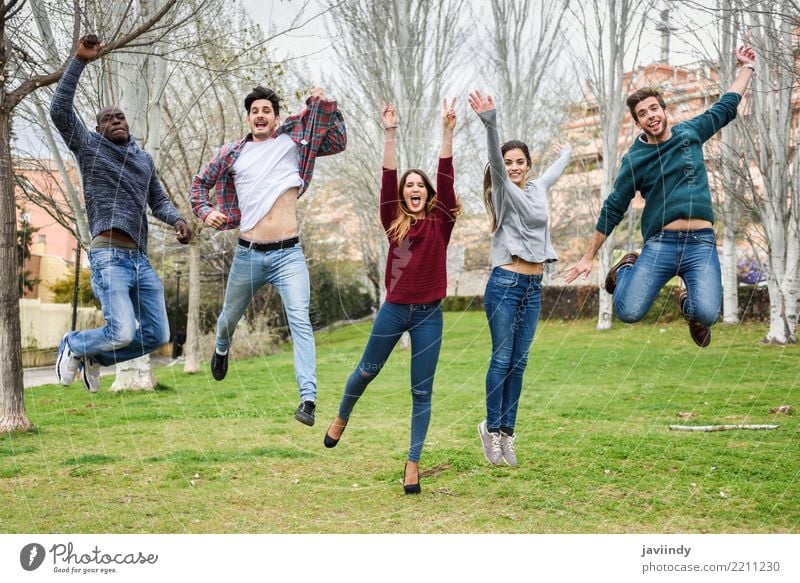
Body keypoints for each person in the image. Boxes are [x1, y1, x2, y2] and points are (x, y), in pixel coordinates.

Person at [564, 46, 757, 348]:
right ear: (637, 123)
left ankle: (686, 303)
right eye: (642, 114)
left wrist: (747, 68)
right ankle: (626, 267)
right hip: (661, 245)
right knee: (628, 311)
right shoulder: (634, 160)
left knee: (706, 312)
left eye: (654, 108)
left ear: (665, 111)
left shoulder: (690, 132)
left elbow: (726, 107)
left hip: (701, 243)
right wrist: (589, 256)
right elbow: (613, 208)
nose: (650, 116)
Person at [323, 99, 461, 494]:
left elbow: (447, 177)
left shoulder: (441, 222)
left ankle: (413, 463)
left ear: (429, 193)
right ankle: (342, 416)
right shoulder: (393, 221)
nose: (414, 189)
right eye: (409, 186)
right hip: (395, 311)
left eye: (420, 185)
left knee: (422, 390)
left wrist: (447, 133)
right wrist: (389, 132)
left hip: (429, 315)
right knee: (366, 371)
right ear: (402, 196)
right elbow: (388, 176)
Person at [190, 84, 346, 427]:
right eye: (254, 111)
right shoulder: (232, 153)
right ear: (248, 117)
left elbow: (336, 141)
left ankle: (308, 399)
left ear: (276, 118)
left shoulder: (294, 144)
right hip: (248, 254)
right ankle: (221, 348)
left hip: (289, 254)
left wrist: (322, 104)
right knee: (228, 318)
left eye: (266, 111)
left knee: (300, 320)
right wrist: (206, 213)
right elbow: (200, 184)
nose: (260, 116)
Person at [50, 35, 191, 393]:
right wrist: (79, 61)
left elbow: (158, 201)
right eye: (107, 119)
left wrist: (177, 220)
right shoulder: (90, 147)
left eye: (120, 116)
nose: (115, 120)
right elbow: (60, 112)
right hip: (108, 256)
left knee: (157, 333)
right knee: (123, 330)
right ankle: (74, 344)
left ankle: (95, 359)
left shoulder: (144, 160)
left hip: (139, 260)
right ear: (98, 129)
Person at [469, 91, 572, 467]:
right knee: (502, 359)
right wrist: (491, 122)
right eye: (508, 161)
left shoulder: (537, 189)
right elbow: (496, 159)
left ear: (528, 165)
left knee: (520, 362)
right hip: (505, 285)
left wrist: (568, 152)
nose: (512, 167)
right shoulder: (502, 189)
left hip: (532, 287)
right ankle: (491, 430)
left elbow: (554, 172)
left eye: (519, 162)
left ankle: (508, 435)